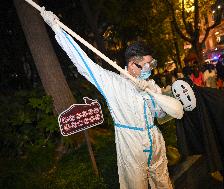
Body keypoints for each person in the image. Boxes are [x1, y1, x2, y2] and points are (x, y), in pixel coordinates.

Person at [40, 10, 175, 189]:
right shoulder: (113, 83)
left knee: (164, 182)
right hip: (131, 145)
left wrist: (157, 99)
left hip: (155, 141)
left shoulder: (151, 85)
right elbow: (84, 64)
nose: (151, 69)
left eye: (152, 64)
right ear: (132, 65)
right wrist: (56, 28)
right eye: (147, 65)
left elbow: (161, 114)